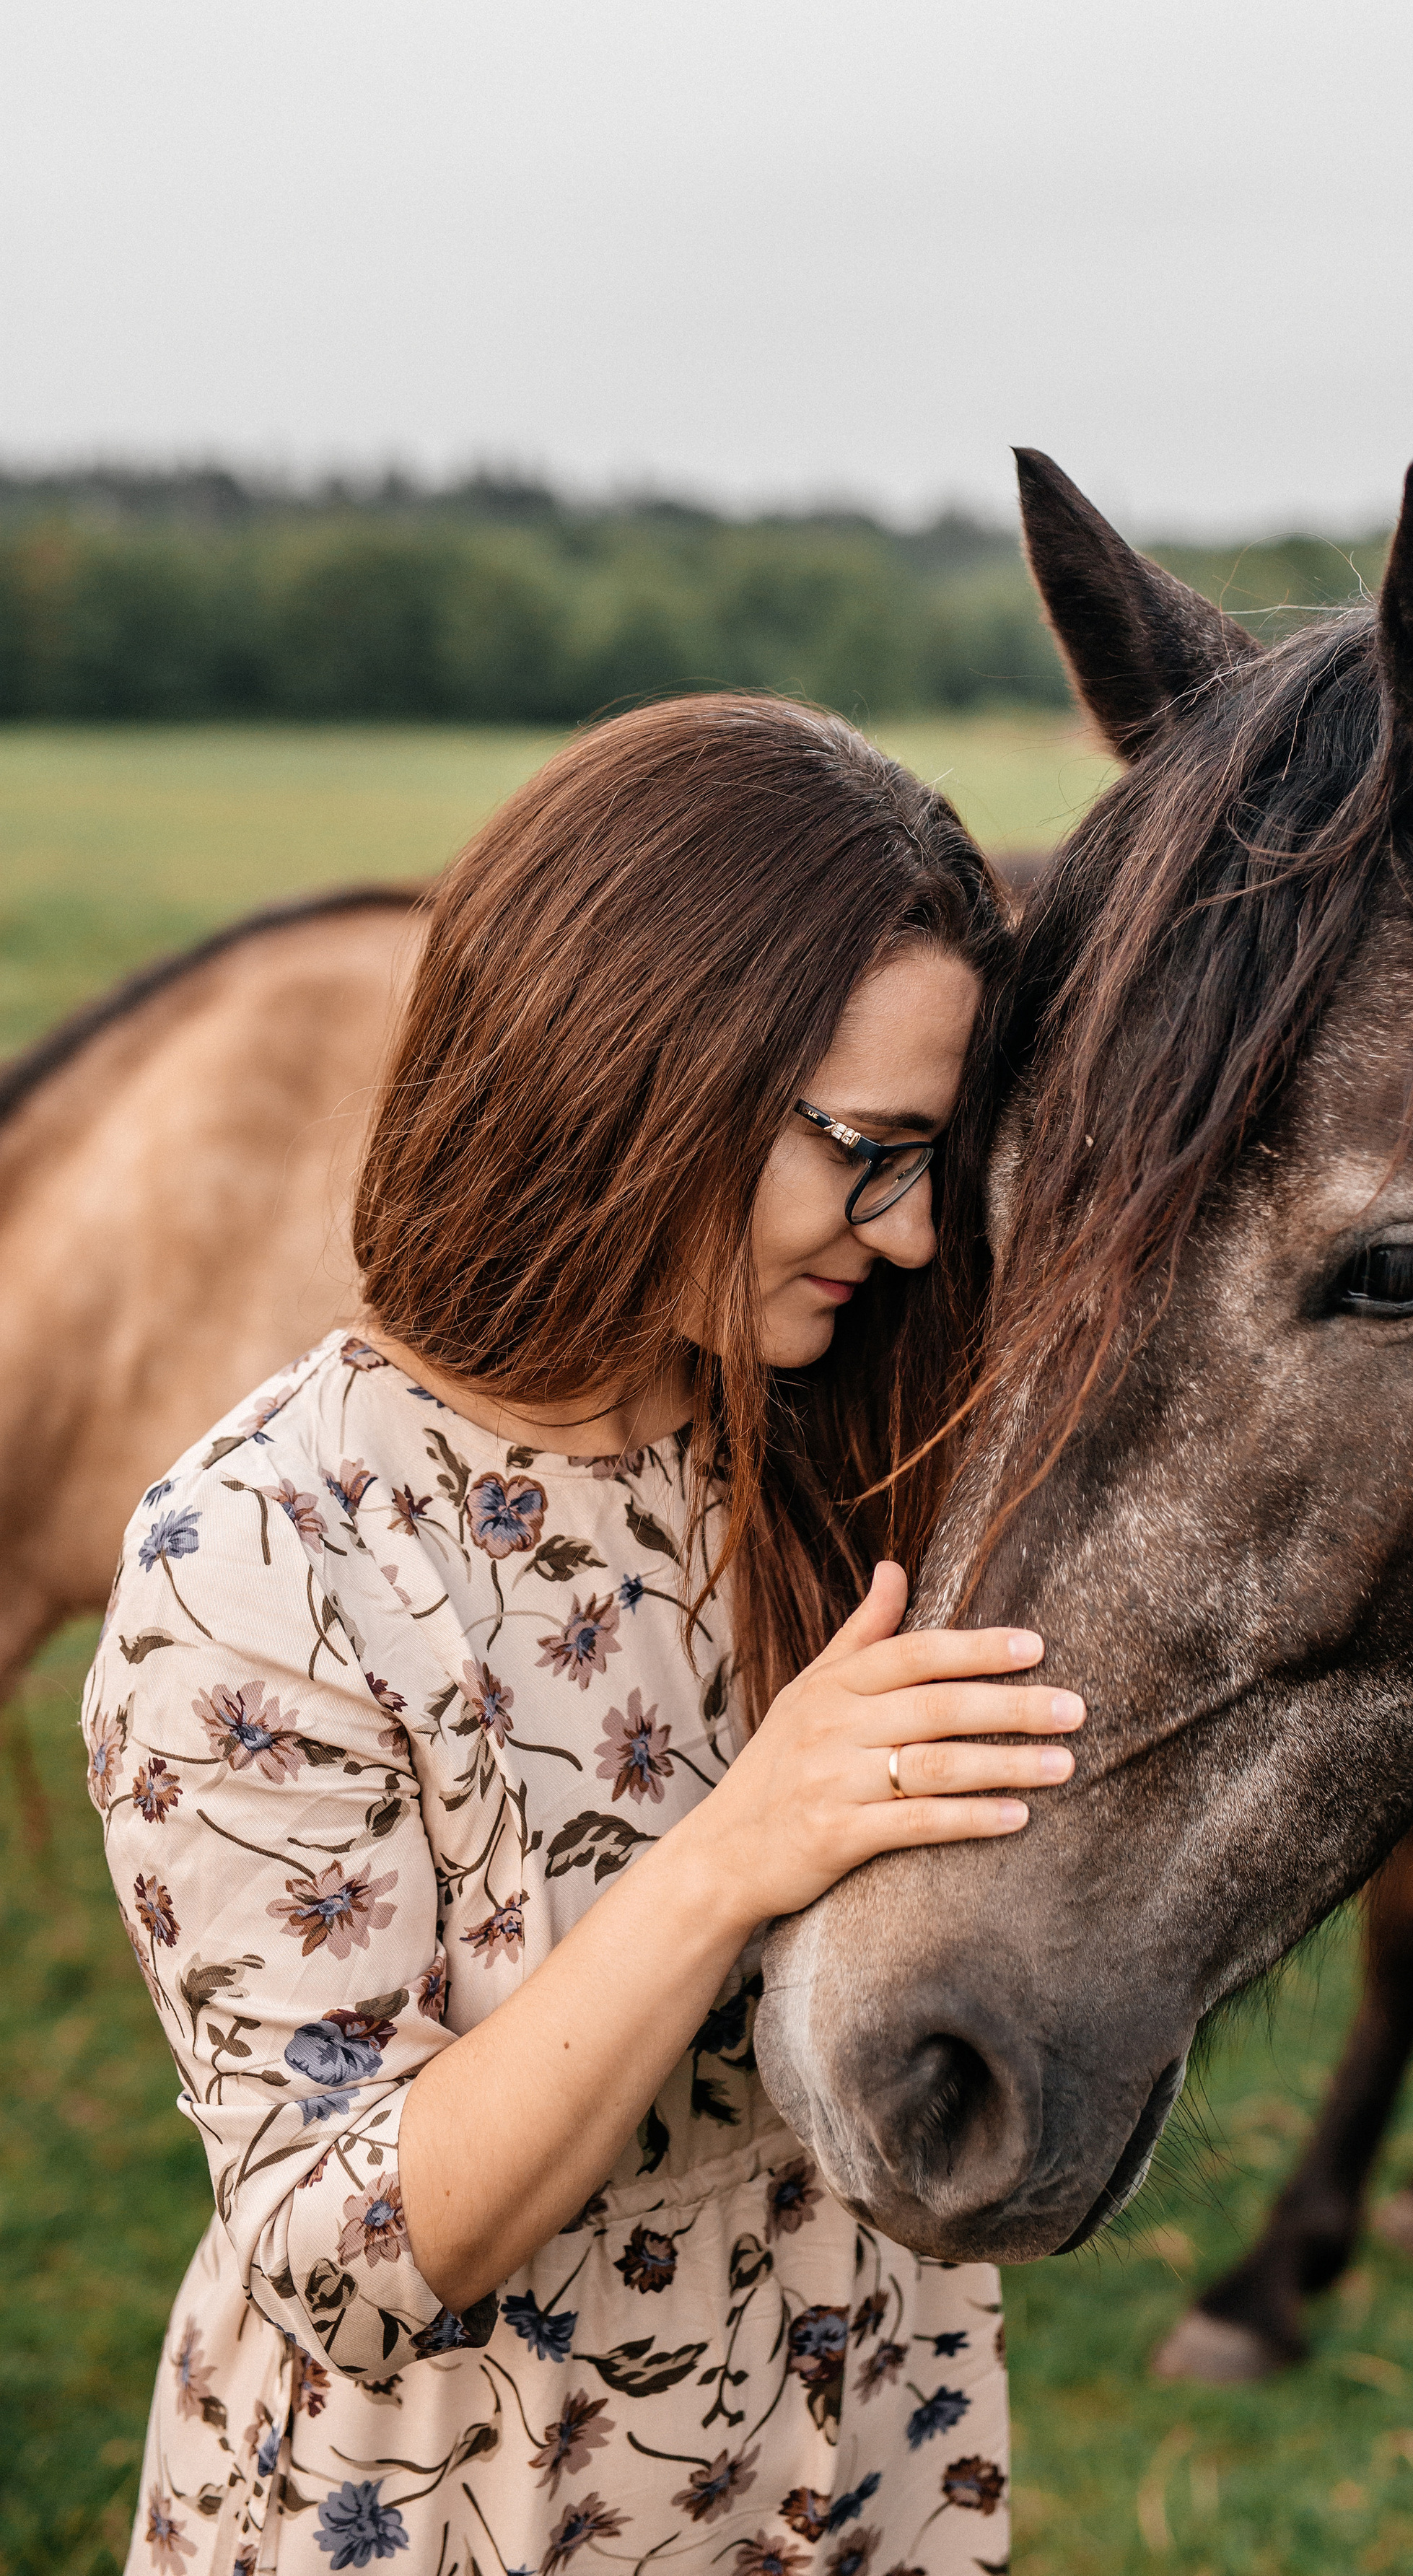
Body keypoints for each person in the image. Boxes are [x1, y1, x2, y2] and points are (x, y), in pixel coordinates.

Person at [85, 697, 1077, 2576]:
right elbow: (346, 2258)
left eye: (933, 1158)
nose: (911, 1234)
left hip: (860, 2470)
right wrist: (737, 1849)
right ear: (635, 1073)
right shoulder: (264, 1561)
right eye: (868, 1150)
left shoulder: (843, 1437)